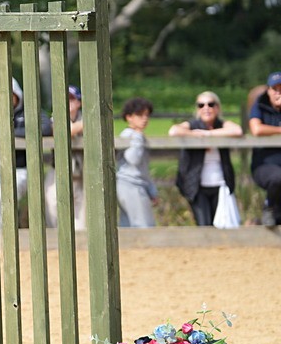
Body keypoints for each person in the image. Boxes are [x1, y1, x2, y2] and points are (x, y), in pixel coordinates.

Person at [168, 91, 242, 226]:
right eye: (201, 105)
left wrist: (208, 134)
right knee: (204, 224)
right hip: (197, 186)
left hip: (221, 185)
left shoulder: (222, 124)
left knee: (221, 225)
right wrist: (196, 136)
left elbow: (237, 131)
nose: (206, 108)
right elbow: (174, 131)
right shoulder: (192, 125)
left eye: (211, 104)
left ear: (217, 107)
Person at [46, 85, 85, 229]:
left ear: (79, 102)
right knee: (53, 204)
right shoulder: (57, 115)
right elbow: (61, 131)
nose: (67, 102)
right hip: (59, 170)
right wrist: (84, 124)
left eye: (71, 99)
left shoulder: (83, 116)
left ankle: (81, 245)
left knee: (82, 215)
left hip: (82, 173)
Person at [116, 97, 157, 228]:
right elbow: (133, 159)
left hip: (136, 184)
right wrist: (138, 137)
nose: (144, 119)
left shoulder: (137, 136)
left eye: (146, 115)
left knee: (128, 225)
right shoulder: (129, 135)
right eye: (139, 115)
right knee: (143, 226)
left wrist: (151, 190)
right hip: (129, 184)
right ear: (129, 117)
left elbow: (143, 167)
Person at [248, 71, 281, 226]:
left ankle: (261, 222)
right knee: (277, 177)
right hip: (265, 166)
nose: (278, 93)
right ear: (268, 91)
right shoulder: (259, 105)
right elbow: (256, 129)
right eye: (275, 89)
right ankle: (268, 206)